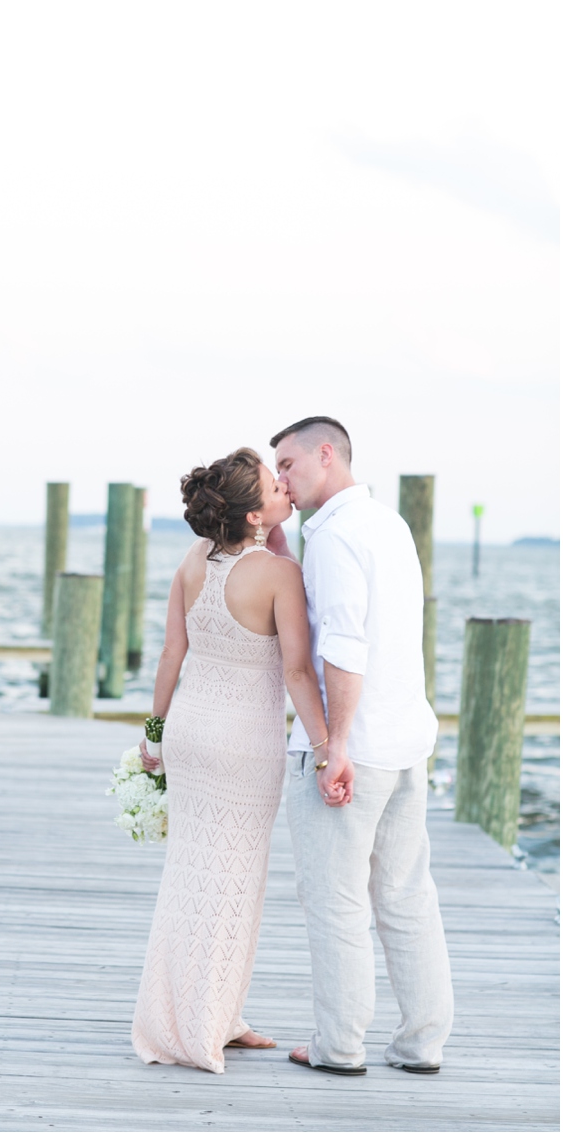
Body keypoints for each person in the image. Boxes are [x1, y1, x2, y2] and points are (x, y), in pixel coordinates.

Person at [131, 446, 336, 1074]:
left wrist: (153, 736)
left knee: (191, 876)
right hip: (244, 744)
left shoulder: (194, 562)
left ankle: (218, 1014)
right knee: (234, 884)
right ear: (253, 517)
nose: (285, 490)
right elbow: (299, 671)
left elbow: (171, 655)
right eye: (275, 488)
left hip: (190, 732)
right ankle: (203, 1022)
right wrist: (328, 746)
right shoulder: (279, 574)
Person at [270, 415, 454, 1077]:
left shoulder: (338, 536)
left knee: (335, 897)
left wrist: (332, 745)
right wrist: (285, 551)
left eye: (288, 465)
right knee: (406, 894)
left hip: (358, 747)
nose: (282, 481)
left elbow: (343, 645)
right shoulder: (386, 524)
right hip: (406, 741)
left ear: (327, 454)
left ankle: (339, 1045)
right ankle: (421, 1041)